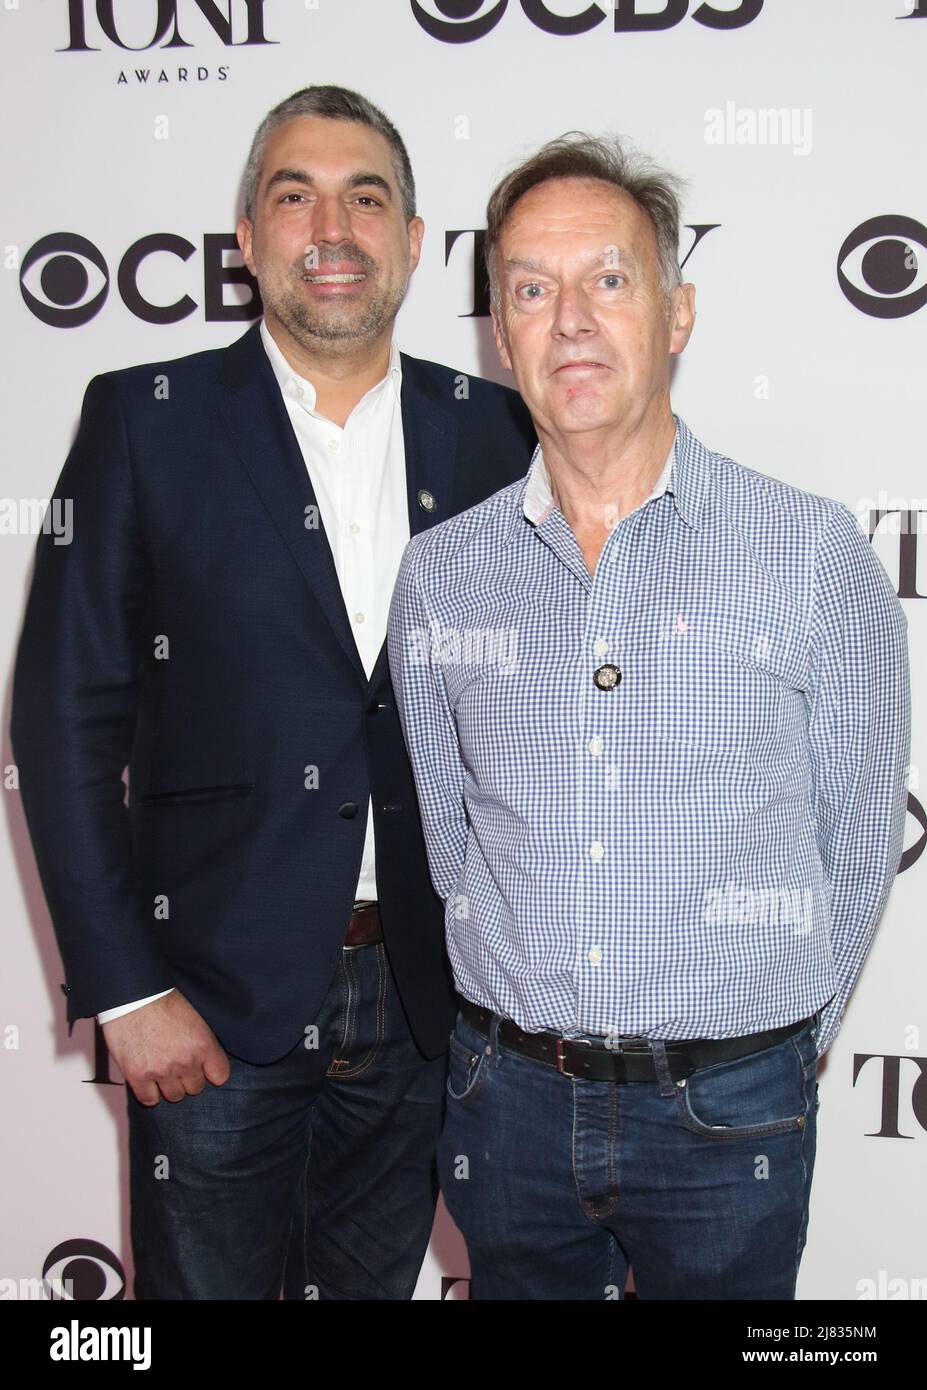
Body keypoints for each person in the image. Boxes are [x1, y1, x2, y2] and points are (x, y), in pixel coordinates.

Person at [11, 85, 535, 1300]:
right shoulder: (147, 420)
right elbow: (63, 714)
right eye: (293, 196)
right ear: (245, 239)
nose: (331, 227)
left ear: (416, 241)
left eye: (368, 197)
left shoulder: (499, 437)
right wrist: (128, 989)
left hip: (428, 1006)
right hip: (208, 1003)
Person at [387, 132, 910, 1300]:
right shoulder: (443, 577)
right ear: (498, 328)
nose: (568, 318)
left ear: (677, 313)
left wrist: (770, 1053)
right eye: (531, 288)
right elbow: (447, 835)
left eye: (608, 281)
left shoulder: (813, 555)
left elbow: (861, 838)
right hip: (504, 1107)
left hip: (732, 1114)